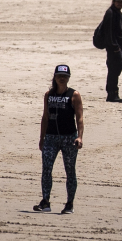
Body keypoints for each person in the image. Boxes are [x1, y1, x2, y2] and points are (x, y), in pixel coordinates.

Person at [35, 64, 84, 213]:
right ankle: (45, 201)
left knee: (70, 171)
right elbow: (45, 117)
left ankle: (69, 203)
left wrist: (80, 137)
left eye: (65, 76)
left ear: (68, 78)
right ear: (55, 77)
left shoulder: (74, 95)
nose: (62, 79)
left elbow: (80, 118)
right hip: (51, 137)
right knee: (46, 169)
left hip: (69, 138)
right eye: (59, 76)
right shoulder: (48, 95)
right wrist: (42, 138)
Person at [94, 0, 122, 102]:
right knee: (113, 71)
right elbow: (108, 32)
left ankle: (114, 93)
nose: (120, 4)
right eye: (118, 2)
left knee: (117, 69)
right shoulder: (110, 13)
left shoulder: (118, 13)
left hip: (120, 46)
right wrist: (114, 47)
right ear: (113, 1)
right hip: (114, 47)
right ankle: (112, 94)